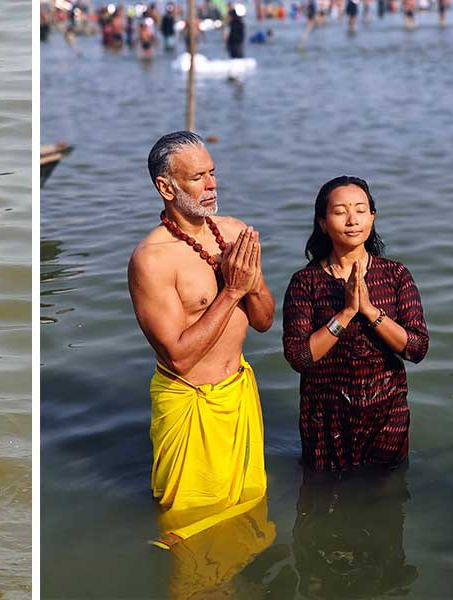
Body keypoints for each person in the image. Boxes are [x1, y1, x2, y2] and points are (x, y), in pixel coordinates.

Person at [127, 131, 275, 548]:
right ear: (166, 187)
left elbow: (264, 321)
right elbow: (178, 357)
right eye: (197, 177)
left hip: (239, 393)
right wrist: (231, 291)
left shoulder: (235, 232)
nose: (211, 186)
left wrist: (250, 285)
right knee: (192, 534)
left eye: (212, 173)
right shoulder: (151, 259)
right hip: (190, 400)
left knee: (249, 519)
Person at [282, 176, 428, 471]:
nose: (352, 220)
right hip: (325, 419)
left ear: (372, 217)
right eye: (340, 212)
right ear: (323, 223)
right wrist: (347, 313)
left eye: (361, 210)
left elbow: (416, 349)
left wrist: (370, 311)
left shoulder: (396, 275)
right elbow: (299, 357)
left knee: (385, 503)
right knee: (322, 502)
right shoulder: (305, 283)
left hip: (387, 414)